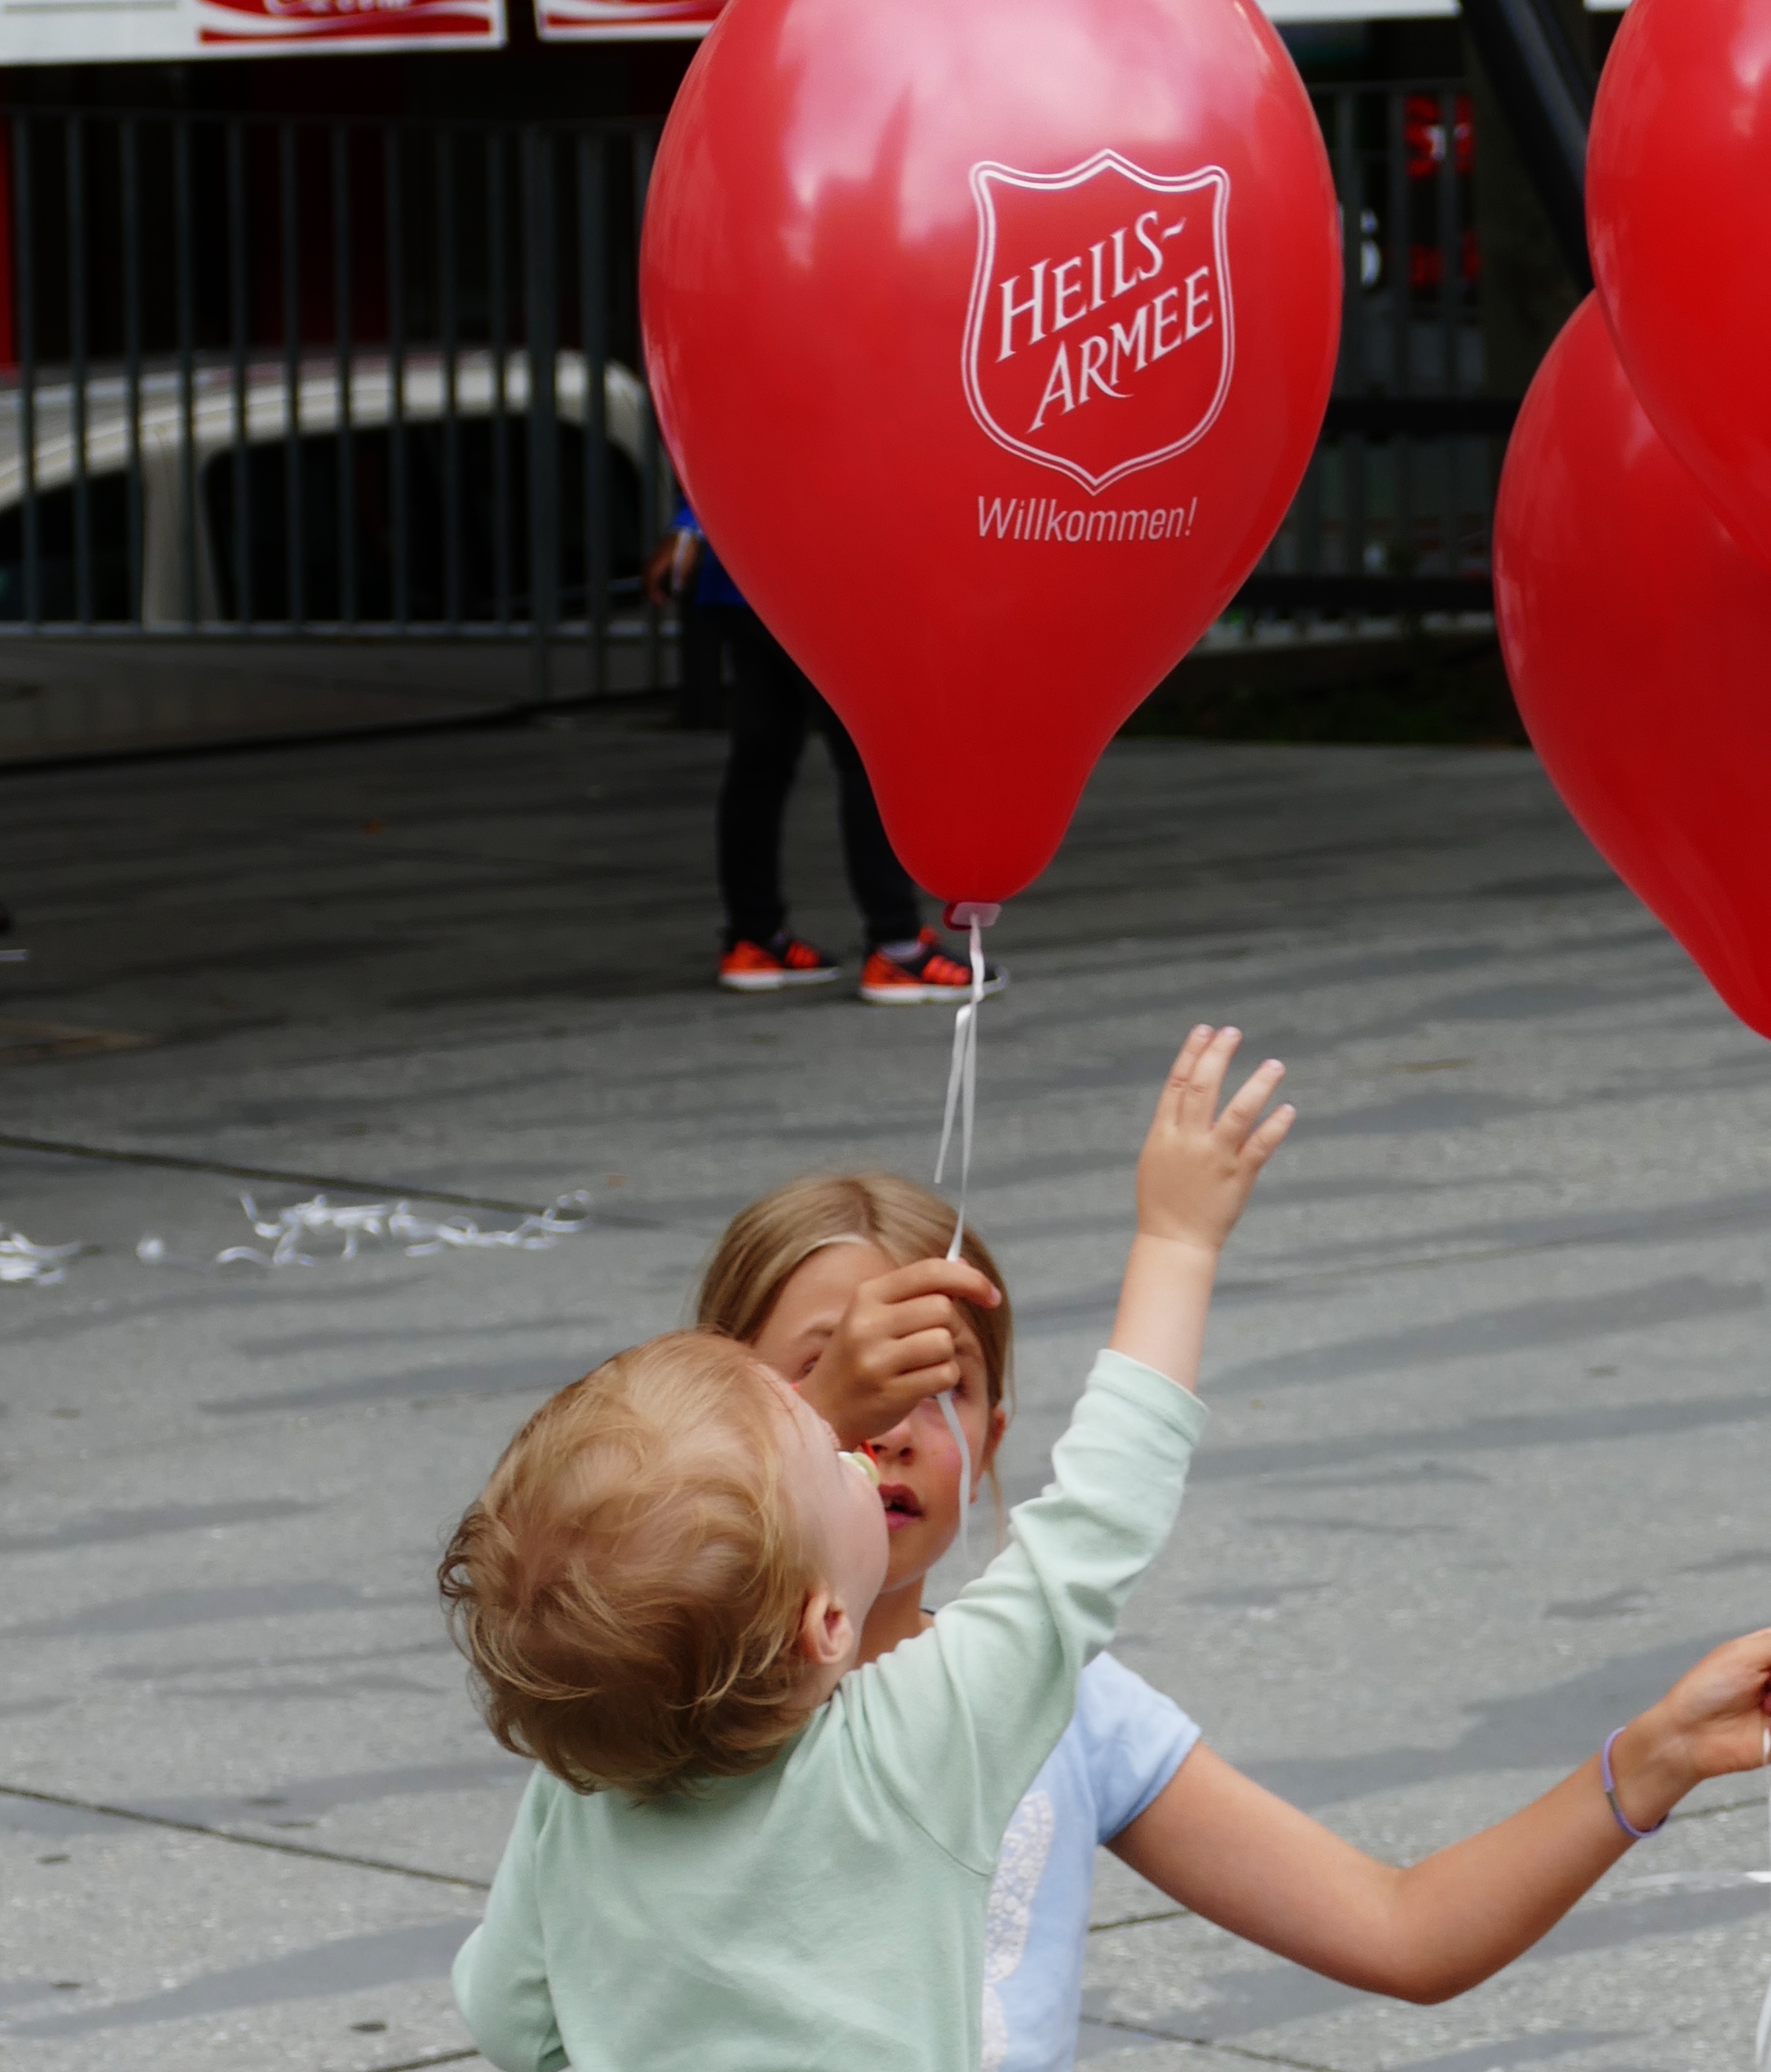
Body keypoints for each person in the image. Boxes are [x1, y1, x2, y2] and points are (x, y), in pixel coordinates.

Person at [704, 1173, 1771, 2065]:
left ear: (994, 1437)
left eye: (935, 1382)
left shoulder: (1063, 1709)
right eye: (838, 1374)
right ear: (712, 1417)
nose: (891, 1421)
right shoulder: (656, 1694)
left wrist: (1649, 1761)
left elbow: (1402, 1930)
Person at [443, 1025, 1293, 2072]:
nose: (869, 1431)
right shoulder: (919, 1741)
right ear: (825, 1619)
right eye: (825, 1435)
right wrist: (1175, 1243)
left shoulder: (588, 1787)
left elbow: (510, 2018)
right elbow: (1100, 1515)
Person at [647, 507, 1001, 1005]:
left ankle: (755, 936)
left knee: (762, 759)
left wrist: (691, 519)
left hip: (740, 571)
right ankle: (895, 945)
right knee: (869, 752)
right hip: (825, 571)